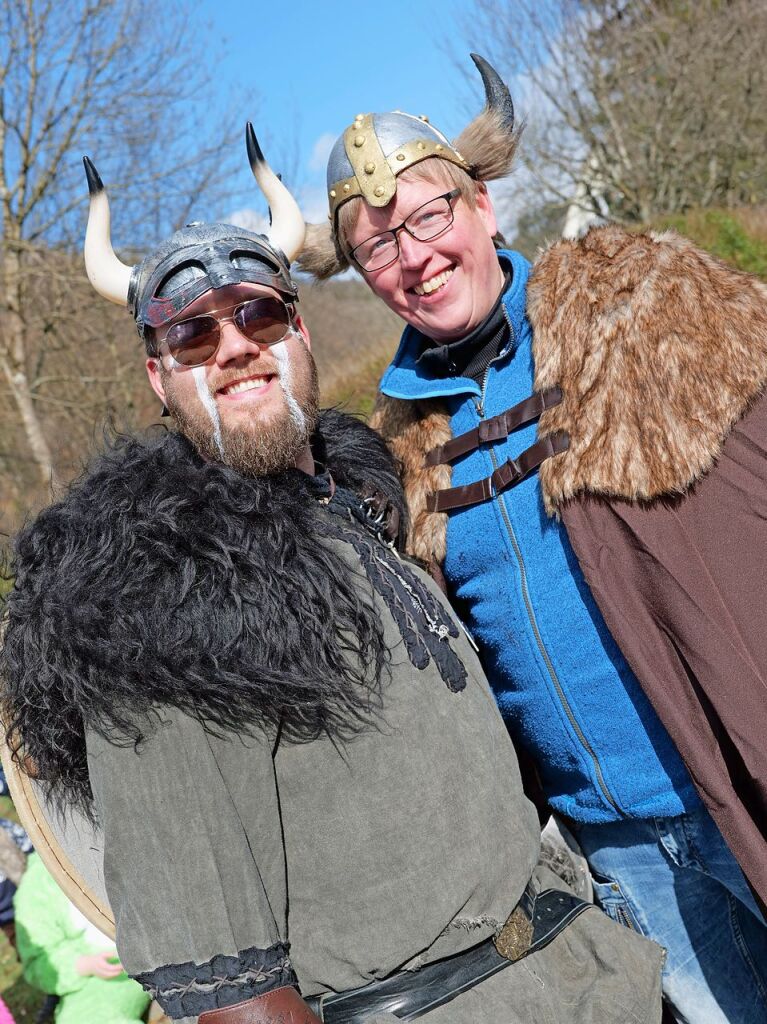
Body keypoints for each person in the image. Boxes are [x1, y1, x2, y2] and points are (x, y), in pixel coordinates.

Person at [0, 127, 663, 1024]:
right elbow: (227, 986)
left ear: (299, 329)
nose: (232, 347)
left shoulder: (373, 510)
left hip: (587, 972)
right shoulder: (154, 613)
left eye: (257, 315)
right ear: (159, 379)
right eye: (191, 336)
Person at [298, 54, 767, 1024]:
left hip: (737, 777)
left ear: (483, 209)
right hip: (612, 843)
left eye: (428, 216)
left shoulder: (636, 315)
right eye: (377, 245)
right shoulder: (401, 453)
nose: (412, 256)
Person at [14, 853, 150, 1024]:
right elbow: (38, 960)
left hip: (158, 935)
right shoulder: (37, 884)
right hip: (110, 969)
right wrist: (81, 964)